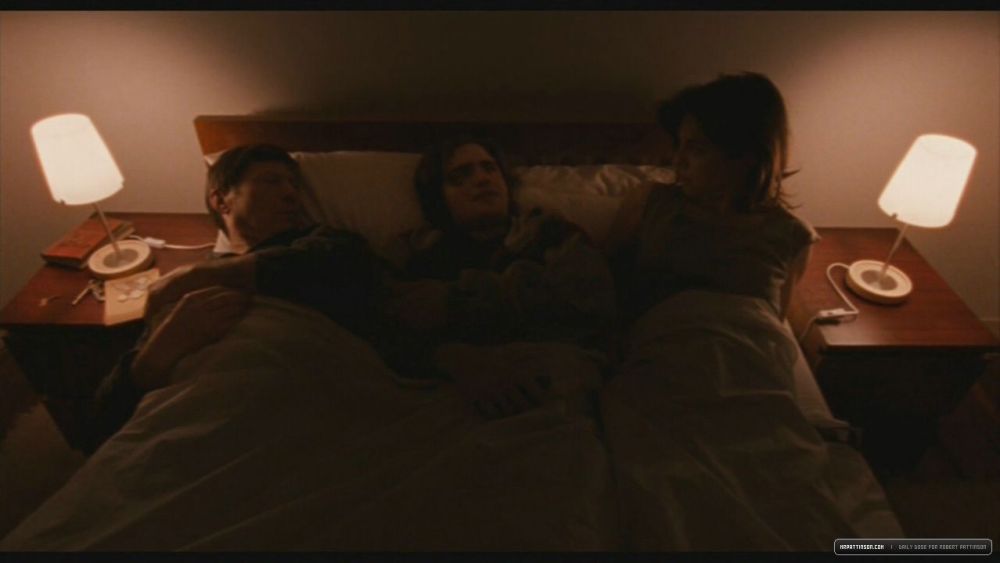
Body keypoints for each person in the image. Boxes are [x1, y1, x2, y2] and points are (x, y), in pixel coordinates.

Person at [83, 144, 384, 454]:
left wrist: (199, 276)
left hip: (300, 415)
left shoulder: (326, 246)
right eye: (271, 181)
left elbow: (347, 268)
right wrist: (164, 346)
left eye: (294, 185)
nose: (291, 194)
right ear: (221, 201)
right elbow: (102, 422)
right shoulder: (181, 296)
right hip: (190, 425)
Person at [379, 137, 618, 419]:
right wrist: (454, 359)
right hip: (445, 384)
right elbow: (384, 321)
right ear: (439, 196)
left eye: (490, 168)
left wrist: (457, 302)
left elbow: (590, 299)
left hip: (545, 369)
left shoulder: (548, 233)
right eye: (461, 175)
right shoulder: (417, 250)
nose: (482, 179)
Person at [606, 71, 818, 322]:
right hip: (666, 338)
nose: (677, 161)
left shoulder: (791, 235)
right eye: (679, 145)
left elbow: (773, 323)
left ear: (745, 157)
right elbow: (601, 289)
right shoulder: (651, 204)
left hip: (751, 344)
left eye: (696, 149)